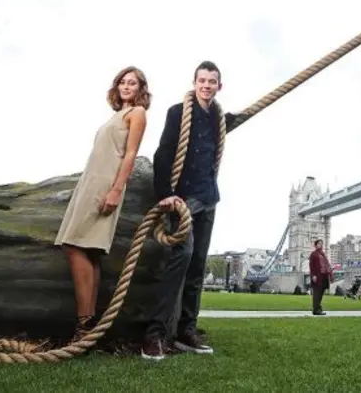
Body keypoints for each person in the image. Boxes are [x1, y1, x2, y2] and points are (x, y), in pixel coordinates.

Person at [141, 61, 239, 360]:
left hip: (209, 199)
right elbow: (163, 154)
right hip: (183, 200)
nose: (207, 85)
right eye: (202, 80)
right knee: (180, 260)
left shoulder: (218, 119)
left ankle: (187, 331)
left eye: (212, 81)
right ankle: (153, 334)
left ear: (219, 86)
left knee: (197, 266)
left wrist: (235, 118)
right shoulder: (177, 113)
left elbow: (226, 126)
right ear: (194, 83)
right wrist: (166, 195)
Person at [54, 66, 150, 342]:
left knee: (74, 245)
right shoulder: (117, 115)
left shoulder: (137, 114)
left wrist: (116, 189)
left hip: (105, 186)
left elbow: (131, 154)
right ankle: (89, 325)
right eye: (122, 81)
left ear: (141, 89)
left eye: (132, 83)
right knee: (90, 252)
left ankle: (84, 322)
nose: (126, 86)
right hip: (90, 182)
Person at [309, 239, 334, 315]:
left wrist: (331, 274)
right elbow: (311, 266)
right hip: (317, 277)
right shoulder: (313, 254)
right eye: (319, 243)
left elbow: (327, 265)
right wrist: (313, 275)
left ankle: (318, 309)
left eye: (322, 244)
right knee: (317, 293)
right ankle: (316, 310)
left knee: (320, 294)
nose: (321, 245)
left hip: (324, 276)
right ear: (315, 245)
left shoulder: (323, 254)